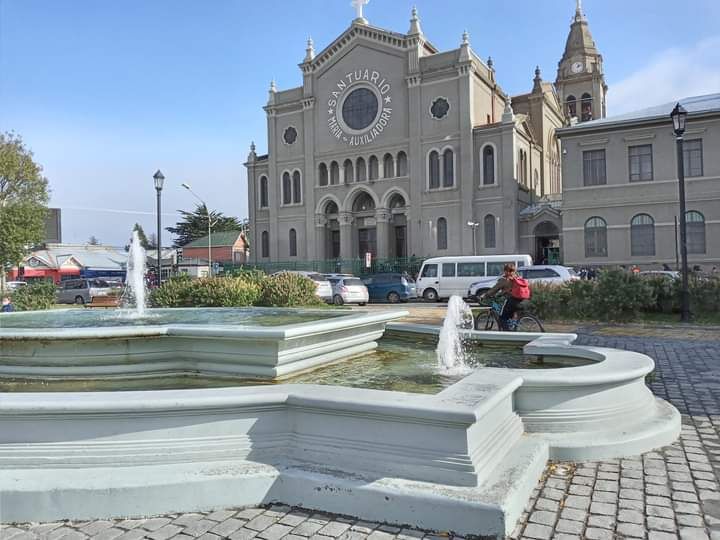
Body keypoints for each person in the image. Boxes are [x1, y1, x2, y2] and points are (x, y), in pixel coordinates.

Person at [479, 263, 531, 331]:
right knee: (509, 314)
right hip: (523, 300)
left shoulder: (504, 280)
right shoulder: (518, 278)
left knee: (502, 318)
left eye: (505, 271)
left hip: (511, 302)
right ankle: (512, 327)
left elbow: (494, 289)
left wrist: (485, 295)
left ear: (506, 271)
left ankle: (508, 334)